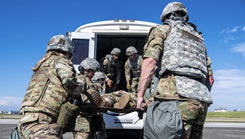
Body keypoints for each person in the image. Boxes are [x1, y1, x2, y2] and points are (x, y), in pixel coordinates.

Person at [136, 2, 214, 139]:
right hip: (202, 99)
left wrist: (140, 96)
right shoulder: (199, 39)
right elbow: (210, 79)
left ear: (166, 17)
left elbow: (150, 61)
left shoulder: (163, 29)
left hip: (175, 96)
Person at [17, 34, 79, 139]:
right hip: (41, 121)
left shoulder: (41, 66)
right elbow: (68, 79)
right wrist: (78, 92)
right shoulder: (60, 60)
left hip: (26, 120)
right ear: (67, 51)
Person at [73, 58, 107, 139]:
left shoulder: (89, 81)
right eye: (93, 71)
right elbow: (81, 97)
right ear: (86, 70)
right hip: (82, 118)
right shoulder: (80, 79)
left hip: (94, 117)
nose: (94, 73)